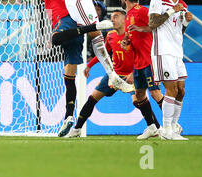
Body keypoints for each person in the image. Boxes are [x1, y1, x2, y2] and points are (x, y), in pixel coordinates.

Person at [68, 10, 159, 139]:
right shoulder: (110, 35)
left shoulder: (133, 35)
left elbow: (142, 55)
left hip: (131, 75)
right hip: (114, 75)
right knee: (92, 99)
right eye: (111, 17)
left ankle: (156, 127)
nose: (113, 20)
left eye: (116, 17)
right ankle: (77, 129)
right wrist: (89, 65)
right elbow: (103, 53)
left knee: (138, 101)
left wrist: (134, 72)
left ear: (124, 19)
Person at [37, 0, 85, 137]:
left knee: (55, 39)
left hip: (65, 24)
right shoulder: (59, 1)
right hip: (74, 35)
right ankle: (68, 116)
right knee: (69, 79)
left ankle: (90, 29)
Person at [148, 0, 193, 140]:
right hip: (162, 51)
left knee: (181, 91)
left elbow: (178, 32)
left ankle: (173, 127)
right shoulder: (158, 0)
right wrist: (171, 10)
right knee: (171, 89)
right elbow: (152, 23)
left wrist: (186, 23)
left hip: (176, 53)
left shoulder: (183, 6)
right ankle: (166, 129)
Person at [120, 0, 165, 139]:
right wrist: (126, 42)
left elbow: (156, 27)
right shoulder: (127, 16)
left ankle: (172, 125)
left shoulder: (143, 11)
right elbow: (131, 37)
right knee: (139, 95)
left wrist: (140, 28)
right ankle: (152, 127)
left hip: (149, 59)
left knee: (154, 92)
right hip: (137, 62)